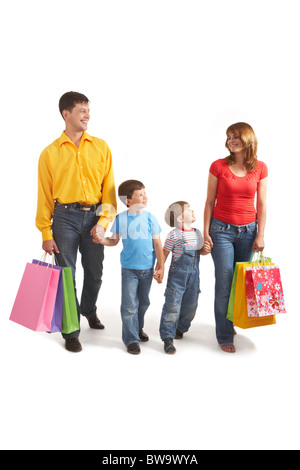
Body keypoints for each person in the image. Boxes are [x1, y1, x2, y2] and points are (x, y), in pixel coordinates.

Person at [36, 91, 117, 353]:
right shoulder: (49, 153)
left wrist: (104, 221)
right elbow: (45, 196)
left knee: (95, 273)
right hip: (64, 218)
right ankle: (71, 330)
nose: (87, 115)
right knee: (66, 275)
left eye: (88, 110)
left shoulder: (102, 147)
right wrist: (45, 233)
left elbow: (109, 192)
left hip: (95, 216)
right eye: (82, 110)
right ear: (66, 114)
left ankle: (89, 310)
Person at [203, 122, 268, 353]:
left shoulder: (260, 167)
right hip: (221, 231)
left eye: (235, 136)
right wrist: (206, 233)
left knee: (239, 283)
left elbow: (261, 203)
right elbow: (210, 202)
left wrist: (260, 234)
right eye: (229, 136)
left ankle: (230, 322)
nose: (231, 140)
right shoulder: (218, 166)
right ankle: (224, 333)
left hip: (249, 232)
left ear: (247, 138)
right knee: (224, 283)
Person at [97, 180, 164, 354]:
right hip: (129, 270)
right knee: (129, 305)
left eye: (145, 193)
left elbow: (158, 244)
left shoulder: (151, 218)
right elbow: (114, 240)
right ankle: (131, 339)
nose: (145, 197)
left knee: (143, 303)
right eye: (140, 194)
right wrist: (101, 240)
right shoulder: (121, 219)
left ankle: (138, 328)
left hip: (147, 269)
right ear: (128, 201)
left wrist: (161, 266)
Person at [158, 201, 211, 354]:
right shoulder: (174, 235)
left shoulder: (197, 233)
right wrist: (159, 269)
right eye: (188, 209)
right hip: (177, 278)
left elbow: (198, 251)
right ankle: (167, 337)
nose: (192, 210)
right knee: (172, 306)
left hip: (194, 278)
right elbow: (164, 254)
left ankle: (180, 328)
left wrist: (205, 251)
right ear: (181, 219)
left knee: (191, 307)